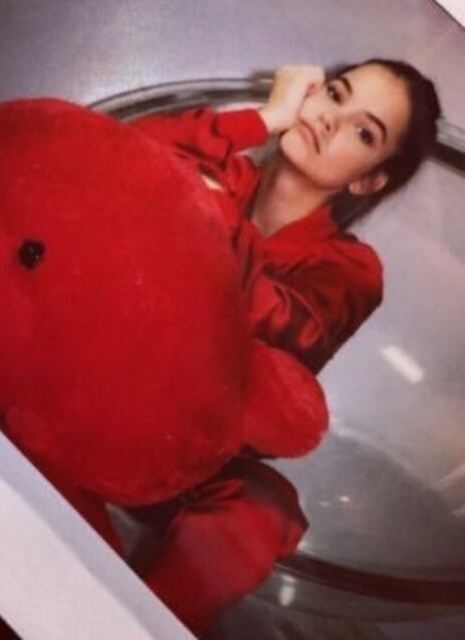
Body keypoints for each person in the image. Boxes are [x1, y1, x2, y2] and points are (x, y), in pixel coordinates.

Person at [127, 59, 441, 633]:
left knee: (263, 511)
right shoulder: (225, 168)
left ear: (367, 180)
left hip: (192, 450)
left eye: (363, 132)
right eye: (336, 95)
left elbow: (290, 330)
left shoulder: (352, 269)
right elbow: (107, 153)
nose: (330, 120)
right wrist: (264, 120)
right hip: (107, 389)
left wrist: (207, 214)